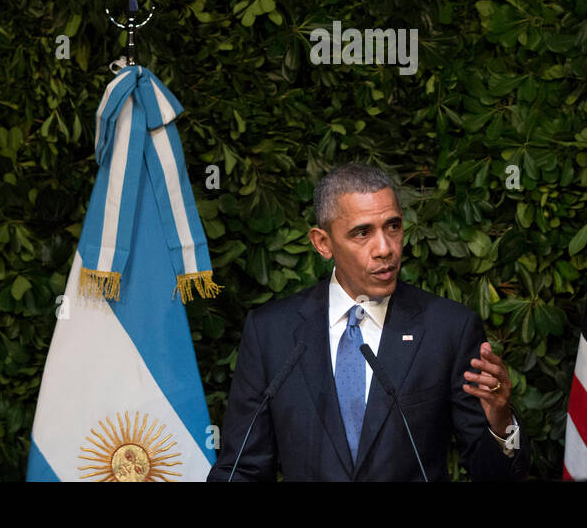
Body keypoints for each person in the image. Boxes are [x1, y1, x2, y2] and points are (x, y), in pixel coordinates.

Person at [208, 163, 531, 481]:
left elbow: (493, 473)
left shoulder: (448, 329)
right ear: (323, 243)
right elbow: (242, 468)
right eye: (362, 233)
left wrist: (501, 421)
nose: (385, 249)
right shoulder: (271, 333)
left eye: (393, 226)